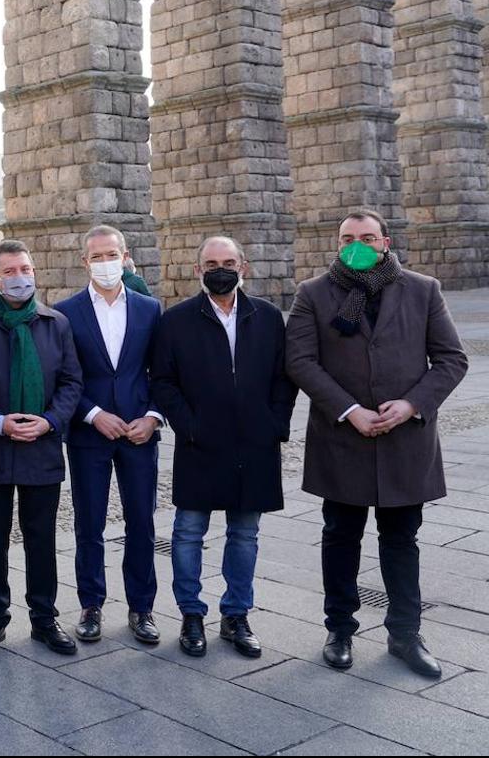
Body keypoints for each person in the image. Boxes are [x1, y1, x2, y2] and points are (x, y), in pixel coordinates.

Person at [286, 210, 468, 679]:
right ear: (337, 242)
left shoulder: (423, 289)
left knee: (402, 540)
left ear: (385, 242)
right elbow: (301, 361)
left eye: (367, 237)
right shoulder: (313, 293)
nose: (357, 245)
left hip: (405, 440)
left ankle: (406, 633)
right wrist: (350, 410)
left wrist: (411, 405)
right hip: (342, 438)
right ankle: (340, 630)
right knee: (340, 537)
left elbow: (451, 359)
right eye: (348, 238)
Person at [151, 236, 297, 659]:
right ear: (197, 270)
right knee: (188, 532)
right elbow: (162, 380)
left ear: (243, 267)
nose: (221, 269)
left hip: (255, 443)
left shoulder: (268, 317)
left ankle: (236, 614)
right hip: (201, 443)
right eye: (212, 263)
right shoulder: (175, 321)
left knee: (245, 533)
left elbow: (283, 379)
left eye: (228, 262)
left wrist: (275, 424)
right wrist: (189, 426)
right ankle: (191, 614)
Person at [0, 241, 83, 657]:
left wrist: (50, 420)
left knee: (41, 537)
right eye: (11, 271)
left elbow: (72, 382)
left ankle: (44, 617)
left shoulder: (56, 323)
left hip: (42, 447)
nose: (21, 277)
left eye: (26, 268)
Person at [54, 225, 164, 646]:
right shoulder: (66, 313)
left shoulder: (149, 309)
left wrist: (153, 417)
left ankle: (142, 608)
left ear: (125, 255)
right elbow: (64, 378)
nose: (104, 263)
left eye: (111, 254)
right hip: (90, 434)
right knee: (89, 524)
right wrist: (93, 414)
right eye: (96, 256)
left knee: (142, 522)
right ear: (85, 261)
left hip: (139, 433)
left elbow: (163, 373)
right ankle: (91, 605)